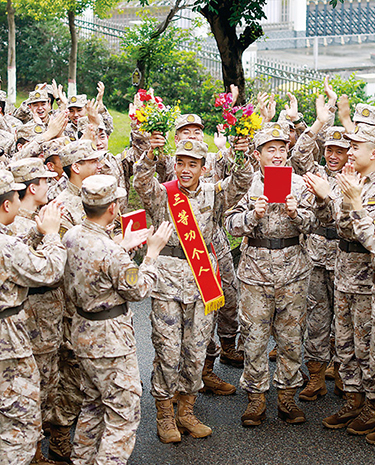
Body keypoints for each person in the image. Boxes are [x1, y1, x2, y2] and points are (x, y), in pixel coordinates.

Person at [134, 138, 253, 443]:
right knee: (167, 350)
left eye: (193, 164)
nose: (185, 170)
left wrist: (241, 154)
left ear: (204, 167)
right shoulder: (164, 194)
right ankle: (164, 414)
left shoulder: (215, 193)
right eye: (181, 163)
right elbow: (142, 183)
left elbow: (241, 181)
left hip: (202, 280)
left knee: (196, 350)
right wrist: (150, 154)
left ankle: (186, 411)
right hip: (168, 282)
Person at [62, 174, 172, 464]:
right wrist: (151, 253)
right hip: (110, 339)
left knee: (93, 405)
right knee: (124, 413)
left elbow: (96, 260)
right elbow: (138, 289)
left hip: (83, 330)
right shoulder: (113, 253)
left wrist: (121, 246)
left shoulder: (71, 235)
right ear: (112, 208)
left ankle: (81, 459)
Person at [226, 123, 318, 427]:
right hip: (255, 272)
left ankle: (287, 397)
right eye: (270, 149)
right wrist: (253, 215)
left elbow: (314, 222)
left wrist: (297, 213)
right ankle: (255, 398)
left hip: (292, 270)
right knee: (254, 337)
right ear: (258, 154)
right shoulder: (246, 185)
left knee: (291, 337)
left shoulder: (299, 185)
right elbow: (229, 224)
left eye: (282, 148)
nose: (278, 155)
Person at [304, 123, 375, 435]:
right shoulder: (351, 179)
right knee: (345, 344)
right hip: (344, 268)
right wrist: (331, 197)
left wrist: (335, 196)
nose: (350, 151)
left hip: (367, 278)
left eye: (355, 147)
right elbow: (341, 226)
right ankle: (353, 399)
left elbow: (365, 234)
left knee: (366, 347)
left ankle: (372, 406)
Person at [0, 169, 67, 465]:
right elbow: (50, 269)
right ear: (7, 205)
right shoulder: (7, 247)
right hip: (8, 339)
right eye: (16, 196)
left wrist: (33, 232)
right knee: (20, 422)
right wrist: (52, 235)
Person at [289, 93, 348, 401]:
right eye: (330, 150)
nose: (334, 155)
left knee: (343, 318)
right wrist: (318, 124)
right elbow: (297, 157)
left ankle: (341, 372)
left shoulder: (357, 179)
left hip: (343, 259)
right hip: (314, 255)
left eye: (340, 150)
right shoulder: (317, 173)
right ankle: (315, 376)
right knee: (316, 316)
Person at [49, 139, 104, 462]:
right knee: (72, 373)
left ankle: (88, 434)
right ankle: (59, 435)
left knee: (94, 375)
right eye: (90, 161)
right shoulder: (62, 204)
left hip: (104, 302)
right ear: (75, 167)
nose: (98, 165)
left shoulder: (99, 195)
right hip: (75, 302)